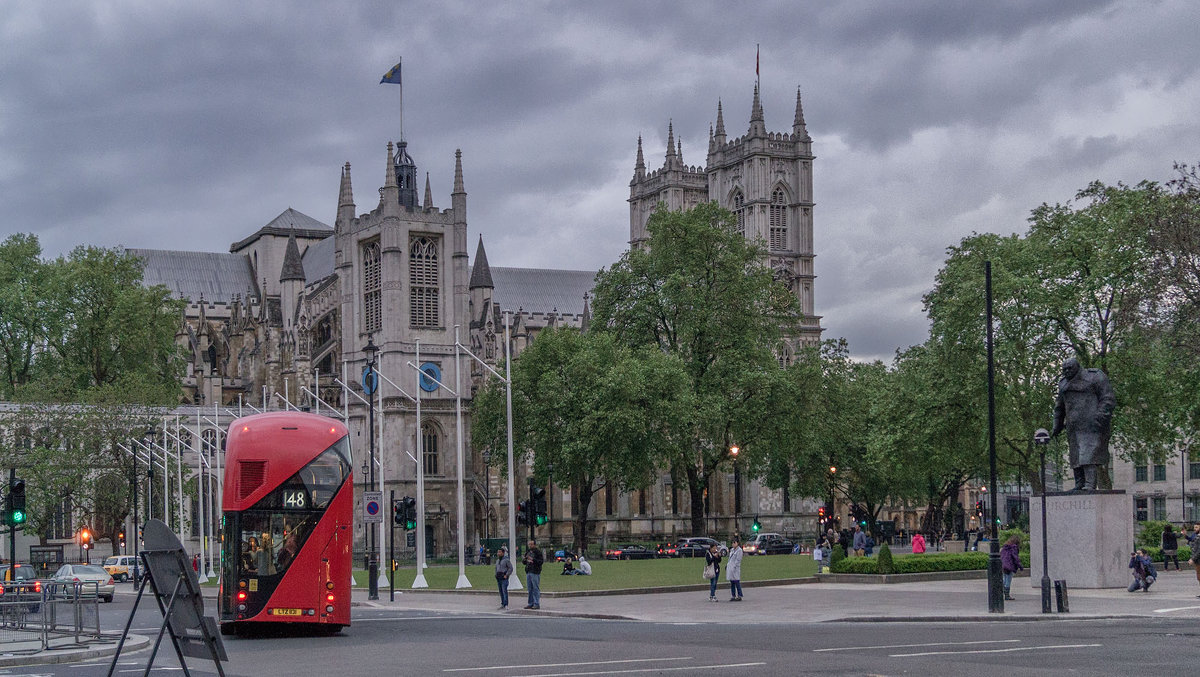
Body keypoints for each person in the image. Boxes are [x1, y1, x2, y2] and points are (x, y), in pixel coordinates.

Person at [1050, 357, 1116, 492]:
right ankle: (1079, 483)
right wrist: (1056, 425)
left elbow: (1108, 398)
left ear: (1077, 367)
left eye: (1070, 368)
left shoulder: (1095, 376)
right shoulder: (1063, 384)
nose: (1067, 371)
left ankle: (1090, 484)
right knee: (1075, 456)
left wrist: (1099, 417)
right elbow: (1059, 407)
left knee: (1088, 454)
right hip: (1073, 426)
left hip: (1091, 424)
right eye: (1064, 369)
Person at [1000, 535, 1023, 600]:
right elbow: (1015, 558)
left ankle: (1002, 593)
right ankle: (1007, 595)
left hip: (1003, 565)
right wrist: (1020, 566)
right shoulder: (1014, 548)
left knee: (1004, 579)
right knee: (1008, 580)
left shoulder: (1005, 547)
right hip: (1009, 565)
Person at [522, 539, 543, 609]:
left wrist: (533, 560)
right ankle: (530, 603)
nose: (530, 546)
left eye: (531, 544)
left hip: (535, 572)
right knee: (530, 588)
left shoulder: (538, 552)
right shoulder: (528, 552)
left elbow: (540, 562)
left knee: (535, 588)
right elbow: (524, 562)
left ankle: (536, 603)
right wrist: (524, 560)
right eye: (529, 544)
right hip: (529, 571)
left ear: (534, 545)